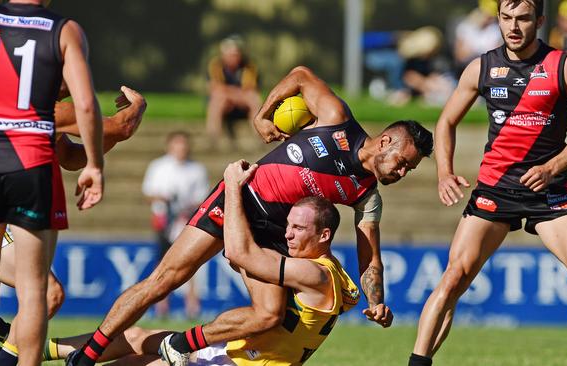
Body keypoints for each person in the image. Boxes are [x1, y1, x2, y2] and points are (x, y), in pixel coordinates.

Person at [66, 65, 433, 366]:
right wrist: (262, 115)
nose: (401, 173)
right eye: (403, 163)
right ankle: (88, 355)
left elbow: (371, 258)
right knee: (164, 280)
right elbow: (301, 75)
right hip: (238, 197)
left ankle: (179, 343)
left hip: (276, 231)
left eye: (409, 171)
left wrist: (374, 302)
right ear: (385, 142)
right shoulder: (336, 119)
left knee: (270, 313)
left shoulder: (367, 196)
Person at [407, 1, 567, 365]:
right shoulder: (482, 66)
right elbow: (446, 122)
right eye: (506, 18)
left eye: (524, 18)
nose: (514, 27)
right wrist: (444, 173)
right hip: (495, 189)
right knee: (453, 278)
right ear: (497, 18)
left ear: (540, 21)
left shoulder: (563, 65)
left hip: (549, 191)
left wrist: (553, 166)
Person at [49, 169, 360, 366]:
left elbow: (239, 254)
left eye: (298, 228)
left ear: (324, 235)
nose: (288, 234)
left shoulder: (313, 274)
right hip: (234, 350)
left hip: (241, 363)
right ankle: (37, 350)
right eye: (288, 225)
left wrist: (233, 189)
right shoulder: (333, 273)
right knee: (135, 337)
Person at [0, 0, 105, 364]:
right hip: (31, 160)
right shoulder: (63, 29)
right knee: (34, 288)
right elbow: (85, 104)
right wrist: (95, 164)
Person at [141, 131, 208, 318]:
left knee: (191, 261)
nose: (181, 149)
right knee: (162, 262)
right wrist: (164, 198)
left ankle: (192, 305)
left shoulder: (196, 169)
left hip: (186, 221)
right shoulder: (158, 166)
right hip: (164, 220)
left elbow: (201, 198)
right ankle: (161, 304)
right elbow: (148, 193)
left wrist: (186, 207)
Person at [205, 35, 260, 145]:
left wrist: (230, 93)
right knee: (218, 99)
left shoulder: (248, 66)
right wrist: (235, 94)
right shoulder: (216, 65)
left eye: (236, 54)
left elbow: (250, 89)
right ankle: (213, 139)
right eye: (231, 54)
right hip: (225, 105)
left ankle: (260, 136)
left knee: (253, 99)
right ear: (224, 55)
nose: (234, 57)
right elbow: (215, 88)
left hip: (242, 105)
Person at [452, 0, 503, 77]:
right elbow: (459, 56)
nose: (488, 19)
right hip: (464, 69)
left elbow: (496, 57)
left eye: (491, 17)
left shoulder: (496, 31)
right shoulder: (465, 27)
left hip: (486, 71)